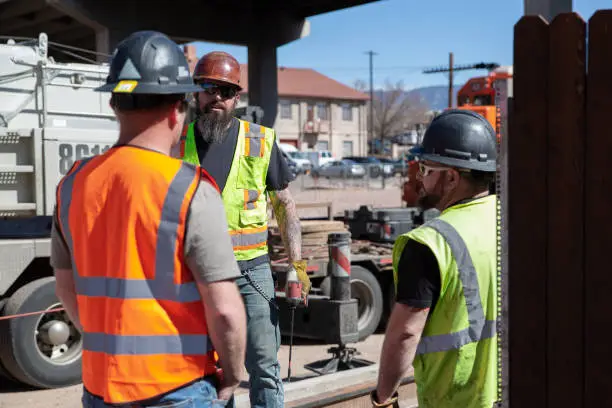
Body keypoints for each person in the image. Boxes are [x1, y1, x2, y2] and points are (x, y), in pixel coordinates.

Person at [50, 31, 247, 407]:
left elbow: (66, 289)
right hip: (179, 388)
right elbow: (223, 310)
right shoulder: (189, 189)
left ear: (113, 104)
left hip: (100, 387)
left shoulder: (72, 185)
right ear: (178, 109)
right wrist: (234, 373)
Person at [173, 51, 309, 408]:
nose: (217, 96)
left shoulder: (261, 142)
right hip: (195, 276)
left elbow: (285, 205)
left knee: (263, 365)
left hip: (251, 273)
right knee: (207, 369)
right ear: (195, 94)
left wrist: (297, 266)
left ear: (237, 97)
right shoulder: (176, 144)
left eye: (226, 90)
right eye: (208, 87)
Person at [372, 109, 499, 408]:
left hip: (455, 399)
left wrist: (384, 398)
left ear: (452, 177)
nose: (420, 178)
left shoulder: (428, 243)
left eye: (427, 170)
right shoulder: (512, 219)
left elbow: (405, 333)